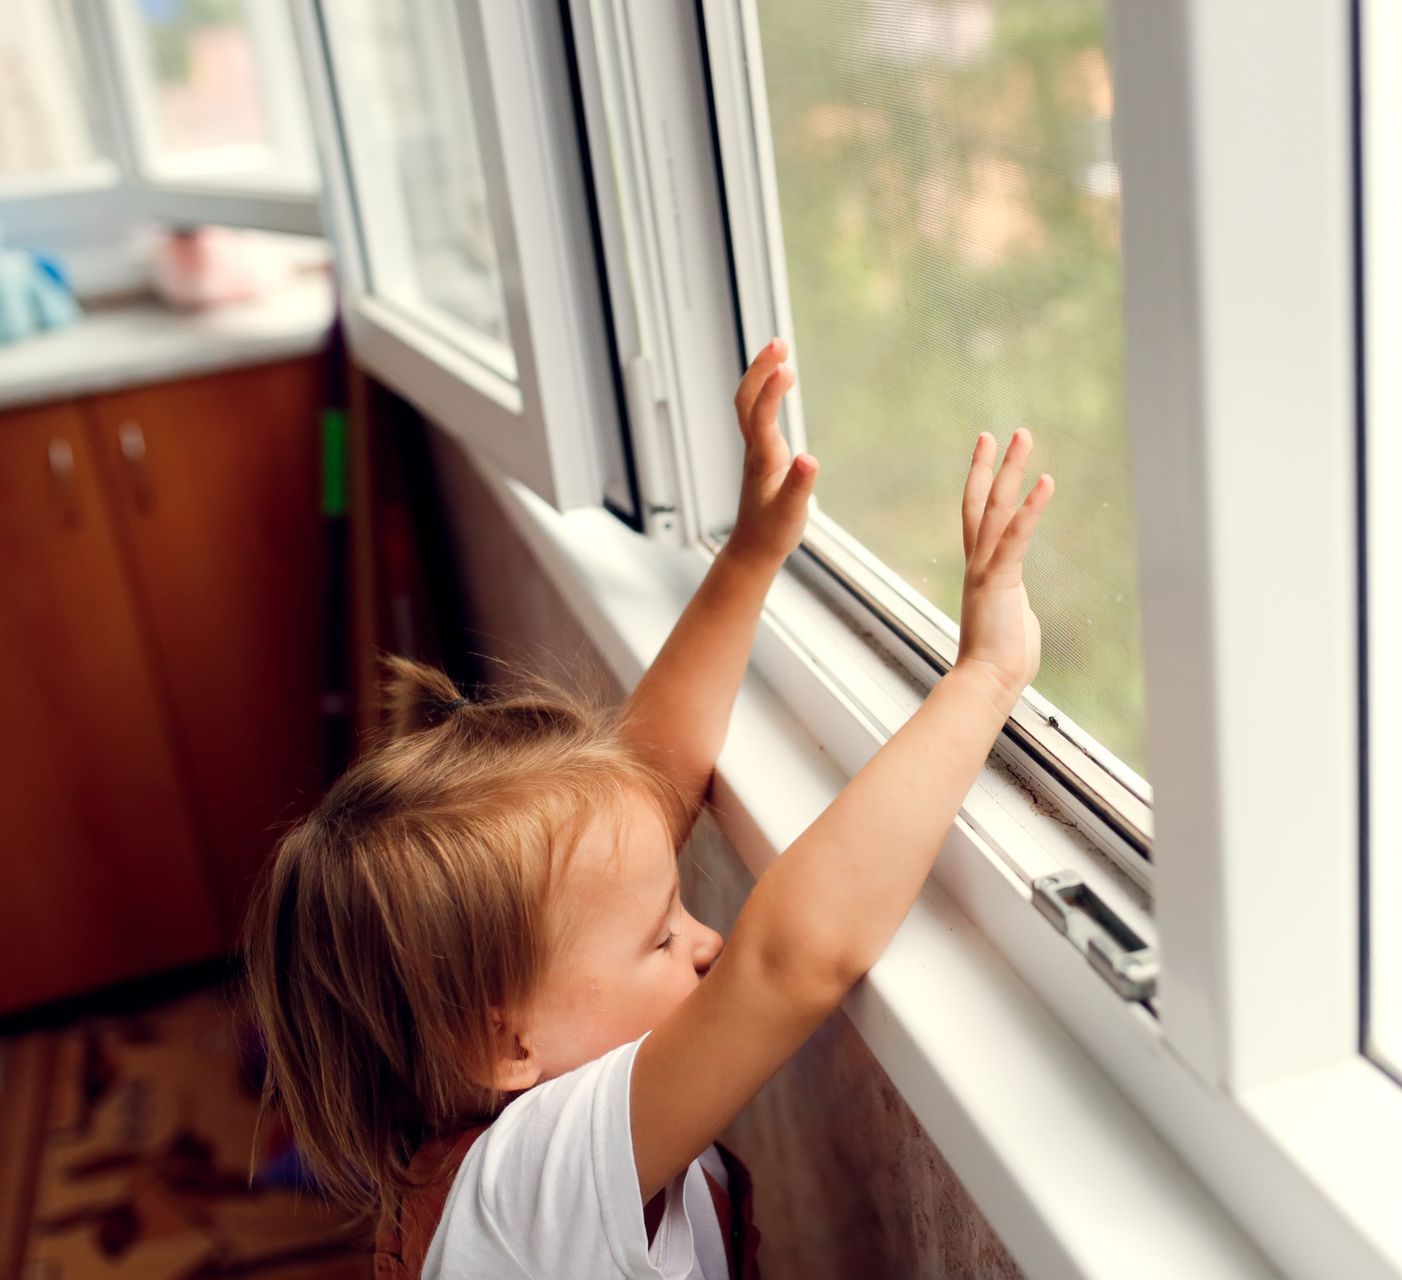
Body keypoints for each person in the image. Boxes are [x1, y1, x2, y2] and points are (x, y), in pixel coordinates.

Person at [244, 337, 1055, 1279]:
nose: (706, 940)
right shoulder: (525, 1184)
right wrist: (985, 677)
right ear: (507, 1041)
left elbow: (648, 788)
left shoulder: (519, 1080)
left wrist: (751, 554)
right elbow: (788, 962)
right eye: (664, 938)